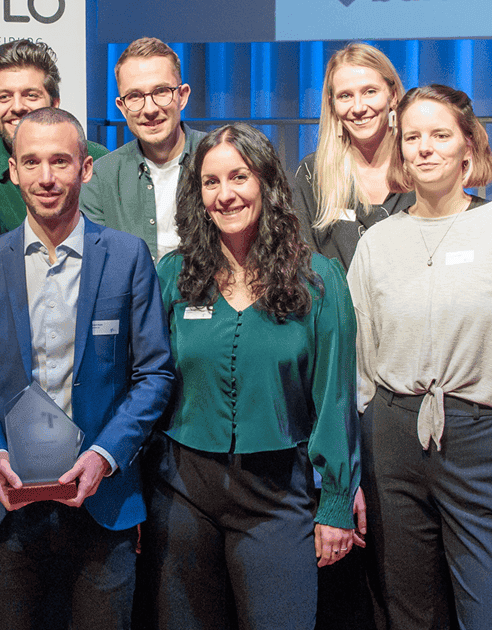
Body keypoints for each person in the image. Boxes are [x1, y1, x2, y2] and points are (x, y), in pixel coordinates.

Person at [348, 84, 492, 630]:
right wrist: (352, 473)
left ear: (468, 149)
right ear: (400, 152)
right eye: (412, 137)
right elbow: (356, 369)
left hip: (483, 440)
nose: (425, 148)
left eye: (440, 135)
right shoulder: (377, 244)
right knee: (408, 614)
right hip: (391, 443)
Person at [0, 107, 175, 630]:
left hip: (102, 500)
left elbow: (155, 374)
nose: (46, 177)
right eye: (31, 162)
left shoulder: (127, 256)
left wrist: (105, 455)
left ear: (86, 168)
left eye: (60, 161)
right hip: (10, 503)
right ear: (12, 170)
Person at [144, 123, 360, 630]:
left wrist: (335, 502)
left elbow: (335, 397)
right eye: (210, 182)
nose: (225, 195)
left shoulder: (320, 280)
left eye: (238, 177)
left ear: (266, 181)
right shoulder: (174, 275)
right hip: (182, 493)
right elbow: (150, 384)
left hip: (278, 495)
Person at [0, 39, 109, 270]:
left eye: (30, 95)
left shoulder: (100, 161)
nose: (17, 107)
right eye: (4, 97)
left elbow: (117, 252)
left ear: (55, 103)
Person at [80, 37, 206, 263]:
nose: (149, 109)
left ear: (182, 96)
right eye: (135, 96)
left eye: (161, 91)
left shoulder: (219, 159)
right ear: (121, 107)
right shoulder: (100, 178)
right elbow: (97, 264)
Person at [290, 43, 413, 270]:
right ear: (333, 105)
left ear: (393, 96)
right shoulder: (312, 173)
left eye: (370, 92)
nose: (358, 107)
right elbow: (304, 263)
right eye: (345, 96)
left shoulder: (419, 166)